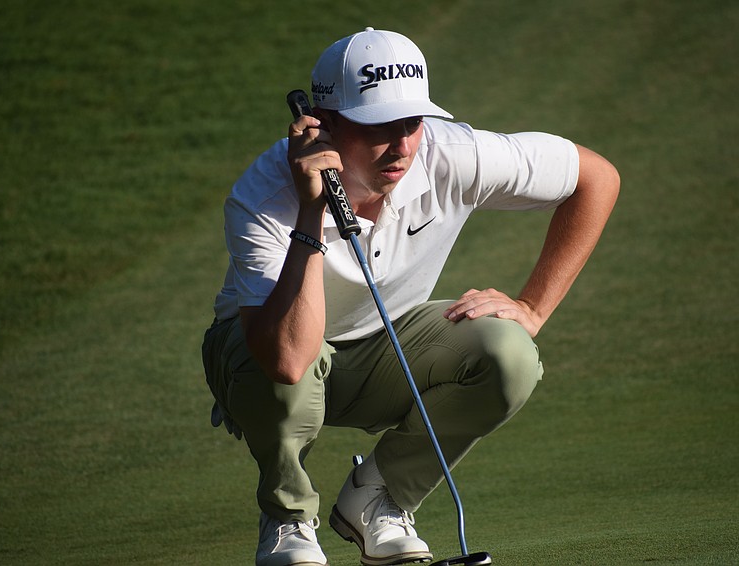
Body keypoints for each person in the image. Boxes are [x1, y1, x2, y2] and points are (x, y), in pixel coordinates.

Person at [202, 27, 619, 566]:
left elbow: (596, 178)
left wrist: (533, 307)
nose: (400, 146)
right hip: (264, 361)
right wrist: (312, 212)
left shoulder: (451, 153)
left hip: (382, 348)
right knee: (290, 369)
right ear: (322, 126)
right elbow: (286, 359)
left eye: (412, 123)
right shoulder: (262, 195)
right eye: (377, 127)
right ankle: (287, 523)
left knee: (509, 353)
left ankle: (378, 500)